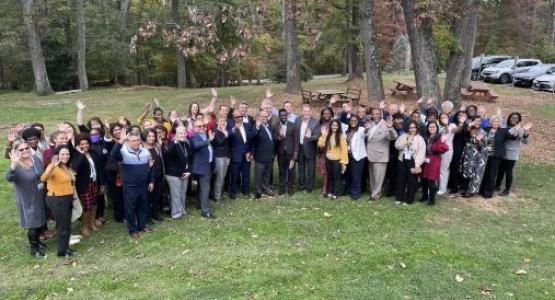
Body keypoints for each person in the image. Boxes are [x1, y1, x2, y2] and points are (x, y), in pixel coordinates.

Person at [6, 139, 47, 258]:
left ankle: (38, 242)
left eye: (26, 148)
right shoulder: (17, 166)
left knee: (40, 220)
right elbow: (8, 177)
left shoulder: (35, 160)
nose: (24, 151)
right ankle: (34, 249)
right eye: (21, 149)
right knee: (32, 224)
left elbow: (41, 174)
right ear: (15, 151)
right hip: (27, 199)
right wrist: (13, 164)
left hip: (39, 195)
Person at [111, 130, 155, 240]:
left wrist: (151, 181)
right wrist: (120, 141)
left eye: (138, 140)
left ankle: (142, 225)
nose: (136, 142)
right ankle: (133, 230)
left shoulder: (145, 152)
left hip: (143, 185)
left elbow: (151, 167)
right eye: (133, 141)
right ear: (128, 141)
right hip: (130, 187)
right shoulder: (124, 152)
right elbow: (113, 154)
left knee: (143, 206)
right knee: (130, 209)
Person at [40, 145, 76, 257]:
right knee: (62, 226)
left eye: (67, 154)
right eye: (63, 154)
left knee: (66, 225)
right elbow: (43, 178)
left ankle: (65, 248)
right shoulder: (53, 167)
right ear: (57, 155)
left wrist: (73, 198)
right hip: (57, 199)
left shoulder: (65, 167)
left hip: (67, 197)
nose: (65, 156)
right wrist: (51, 166)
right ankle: (62, 251)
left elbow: (71, 184)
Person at [72, 133, 102, 237]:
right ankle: (84, 226)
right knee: (86, 207)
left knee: (94, 204)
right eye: (82, 143)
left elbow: (98, 168)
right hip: (84, 185)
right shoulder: (76, 155)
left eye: (86, 143)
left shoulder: (92, 153)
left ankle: (92, 222)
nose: (85, 145)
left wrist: (101, 182)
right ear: (77, 145)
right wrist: (81, 154)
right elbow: (75, 168)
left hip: (94, 182)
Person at [495, 112, 532, 196]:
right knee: (500, 170)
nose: (513, 119)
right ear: (509, 118)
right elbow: (500, 124)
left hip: (511, 154)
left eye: (516, 118)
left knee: (508, 171)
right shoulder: (505, 126)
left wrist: (526, 131)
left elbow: (525, 141)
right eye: (512, 117)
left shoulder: (520, 129)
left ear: (519, 120)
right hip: (501, 152)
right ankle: (497, 185)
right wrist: (499, 115)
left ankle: (507, 190)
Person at [365, 108, 398, 201]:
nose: (375, 116)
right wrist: (365, 130)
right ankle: (374, 192)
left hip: (380, 156)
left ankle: (375, 195)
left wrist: (390, 128)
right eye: (373, 114)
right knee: (372, 176)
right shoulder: (370, 125)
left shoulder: (385, 125)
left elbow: (393, 137)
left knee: (378, 177)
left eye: (377, 114)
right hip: (370, 155)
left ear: (381, 115)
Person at [395, 120, 426, 204]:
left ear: (416, 128)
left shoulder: (420, 139)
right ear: (407, 128)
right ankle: (399, 198)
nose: (412, 129)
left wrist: (417, 164)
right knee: (401, 180)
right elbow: (397, 145)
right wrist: (406, 142)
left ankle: (409, 200)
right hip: (402, 159)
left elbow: (421, 153)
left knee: (411, 181)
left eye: (414, 127)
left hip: (413, 161)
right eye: (410, 127)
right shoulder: (403, 135)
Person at [164, 126, 191, 220]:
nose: (182, 135)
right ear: (176, 134)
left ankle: (182, 210)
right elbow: (167, 154)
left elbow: (188, 159)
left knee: (183, 193)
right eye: (180, 133)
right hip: (173, 174)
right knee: (176, 194)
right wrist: (175, 143)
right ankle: (176, 213)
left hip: (184, 173)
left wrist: (189, 171)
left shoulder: (186, 144)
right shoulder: (173, 144)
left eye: (184, 133)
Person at [190, 120, 216, 218]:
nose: (201, 127)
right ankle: (205, 211)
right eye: (198, 126)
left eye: (203, 126)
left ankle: (200, 204)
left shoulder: (203, 135)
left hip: (207, 164)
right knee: (205, 188)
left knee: (202, 187)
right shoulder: (193, 136)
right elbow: (196, 145)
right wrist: (209, 140)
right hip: (202, 166)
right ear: (194, 127)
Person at [318, 119, 348, 200]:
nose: (334, 127)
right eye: (333, 125)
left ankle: (336, 193)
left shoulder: (341, 136)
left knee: (336, 177)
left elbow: (344, 150)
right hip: (328, 159)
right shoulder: (328, 134)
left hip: (337, 160)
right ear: (330, 126)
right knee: (330, 176)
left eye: (336, 125)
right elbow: (320, 144)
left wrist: (344, 162)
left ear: (338, 127)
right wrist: (323, 135)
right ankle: (330, 192)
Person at [421, 122, 449, 205]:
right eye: (430, 126)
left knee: (431, 180)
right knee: (425, 179)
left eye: (433, 127)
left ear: (437, 128)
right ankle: (425, 196)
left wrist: (441, 142)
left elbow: (444, 148)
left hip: (435, 160)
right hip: (426, 160)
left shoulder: (439, 137)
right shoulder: (427, 137)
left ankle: (432, 200)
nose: (431, 128)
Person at [460, 116, 488, 198]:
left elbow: (482, 146)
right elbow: (465, 132)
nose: (478, 122)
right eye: (476, 121)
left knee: (475, 172)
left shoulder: (483, 132)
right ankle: (467, 189)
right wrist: (469, 125)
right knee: (468, 171)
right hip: (468, 153)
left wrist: (478, 140)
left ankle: (471, 191)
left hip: (477, 155)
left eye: (479, 121)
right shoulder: (470, 129)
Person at [295, 104, 320, 193]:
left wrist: (310, 137)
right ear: (301, 111)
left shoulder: (315, 122)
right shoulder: (297, 120)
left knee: (311, 168)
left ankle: (310, 186)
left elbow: (317, 136)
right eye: (304, 111)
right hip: (300, 147)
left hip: (310, 148)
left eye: (308, 111)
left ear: (310, 112)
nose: (306, 113)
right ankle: (302, 184)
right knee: (301, 167)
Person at [228, 111, 253, 199]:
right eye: (237, 117)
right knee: (234, 175)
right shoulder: (231, 127)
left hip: (246, 155)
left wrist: (250, 152)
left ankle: (246, 191)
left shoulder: (247, 125)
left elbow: (250, 140)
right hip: (236, 155)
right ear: (233, 118)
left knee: (246, 174)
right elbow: (228, 136)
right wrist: (234, 128)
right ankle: (233, 192)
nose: (239, 118)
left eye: (240, 116)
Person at [274, 108, 298, 195]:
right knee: (281, 171)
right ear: (279, 116)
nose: (283, 117)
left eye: (285, 115)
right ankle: (281, 189)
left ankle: (290, 188)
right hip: (280, 153)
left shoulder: (293, 125)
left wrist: (295, 153)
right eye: (281, 115)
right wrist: (279, 137)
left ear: (287, 116)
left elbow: (296, 140)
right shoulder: (276, 126)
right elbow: (274, 140)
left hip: (291, 153)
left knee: (291, 171)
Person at [142, 128, 165, 221]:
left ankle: (155, 214)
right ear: (145, 137)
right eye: (149, 136)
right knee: (147, 197)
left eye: (153, 136)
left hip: (158, 175)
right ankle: (147, 217)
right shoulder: (141, 148)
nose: (151, 138)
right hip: (148, 177)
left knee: (157, 196)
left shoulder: (156, 146)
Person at [252, 110, 275, 199]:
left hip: (269, 155)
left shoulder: (269, 126)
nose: (264, 118)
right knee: (259, 174)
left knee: (267, 174)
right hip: (260, 156)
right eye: (263, 116)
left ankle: (266, 188)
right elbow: (252, 136)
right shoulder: (256, 126)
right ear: (259, 117)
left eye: (266, 116)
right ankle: (258, 191)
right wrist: (257, 127)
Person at [345, 116, 367, 200]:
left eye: (355, 120)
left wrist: (367, 129)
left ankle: (356, 193)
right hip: (348, 155)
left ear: (358, 121)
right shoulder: (347, 130)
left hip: (358, 156)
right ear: (349, 121)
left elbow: (365, 132)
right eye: (351, 120)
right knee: (349, 174)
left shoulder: (361, 129)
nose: (353, 122)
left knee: (356, 175)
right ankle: (350, 190)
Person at [211, 117, 230, 204]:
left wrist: (229, 157)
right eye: (221, 121)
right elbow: (219, 143)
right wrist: (225, 134)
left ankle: (219, 194)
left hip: (225, 156)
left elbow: (228, 145)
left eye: (224, 121)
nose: (223, 122)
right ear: (217, 122)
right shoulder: (216, 132)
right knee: (219, 177)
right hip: (218, 156)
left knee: (223, 176)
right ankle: (217, 196)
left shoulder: (225, 131)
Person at [437, 113, 457, 195]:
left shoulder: (452, 125)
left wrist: (446, 125)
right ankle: (437, 186)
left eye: (445, 117)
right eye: (442, 117)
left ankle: (443, 189)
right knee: (438, 168)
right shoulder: (438, 126)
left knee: (444, 169)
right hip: (438, 149)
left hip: (447, 150)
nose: (444, 119)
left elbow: (452, 130)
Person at [317, 107, 334, 196]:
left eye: (328, 113)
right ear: (322, 115)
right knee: (324, 170)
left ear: (331, 114)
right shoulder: (320, 124)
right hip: (322, 150)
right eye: (325, 114)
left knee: (330, 170)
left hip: (332, 149)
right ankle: (325, 187)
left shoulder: (334, 123)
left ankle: (326, 188)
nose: (326, 115)